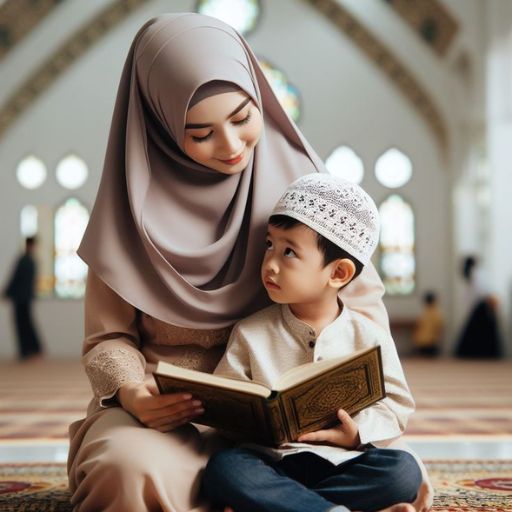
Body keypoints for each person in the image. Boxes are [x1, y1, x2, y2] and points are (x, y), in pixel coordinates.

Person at [67, 13, 433, 512]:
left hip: (302, 420)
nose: (232, 147)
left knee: (400, 469)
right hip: (171, 412)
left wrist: (347, 421)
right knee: (128, 474)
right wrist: (136, 397)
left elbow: (359, 313)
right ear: (160, 123)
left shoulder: (307, 189)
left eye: (242, 118)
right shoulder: (126, 211)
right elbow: (108, 339)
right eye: (200, 133)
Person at [202, 174, 421, 512]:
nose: (270, 264)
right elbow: (226, 398)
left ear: (338, 274)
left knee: (403, 471)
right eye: (269, 245)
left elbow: (396, 404)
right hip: (270, 460)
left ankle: (289, 507)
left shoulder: (369, 336)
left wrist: (355, 433)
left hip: (341, 460)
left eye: (289, 251)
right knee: (224, 469)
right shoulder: (250, 331)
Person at [3, 236, 43, 361]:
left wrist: (6, 292)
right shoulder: (31, 261)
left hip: (20, 298)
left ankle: (27, 351)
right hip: (25, 297)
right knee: (26, 323)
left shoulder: (24, 260)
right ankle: (33, 349)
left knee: (22, 324)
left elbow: (15, 279)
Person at [455, 256, 502, 358]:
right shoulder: (477, 273)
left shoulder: (470, 275)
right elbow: (485, 292)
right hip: (483, 307)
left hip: (479, 308)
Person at [412, 291, 443, 357]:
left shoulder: (423, 314)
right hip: (431, 344)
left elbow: (417, 328)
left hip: (420, 343)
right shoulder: (437, 314)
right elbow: (439, 330)